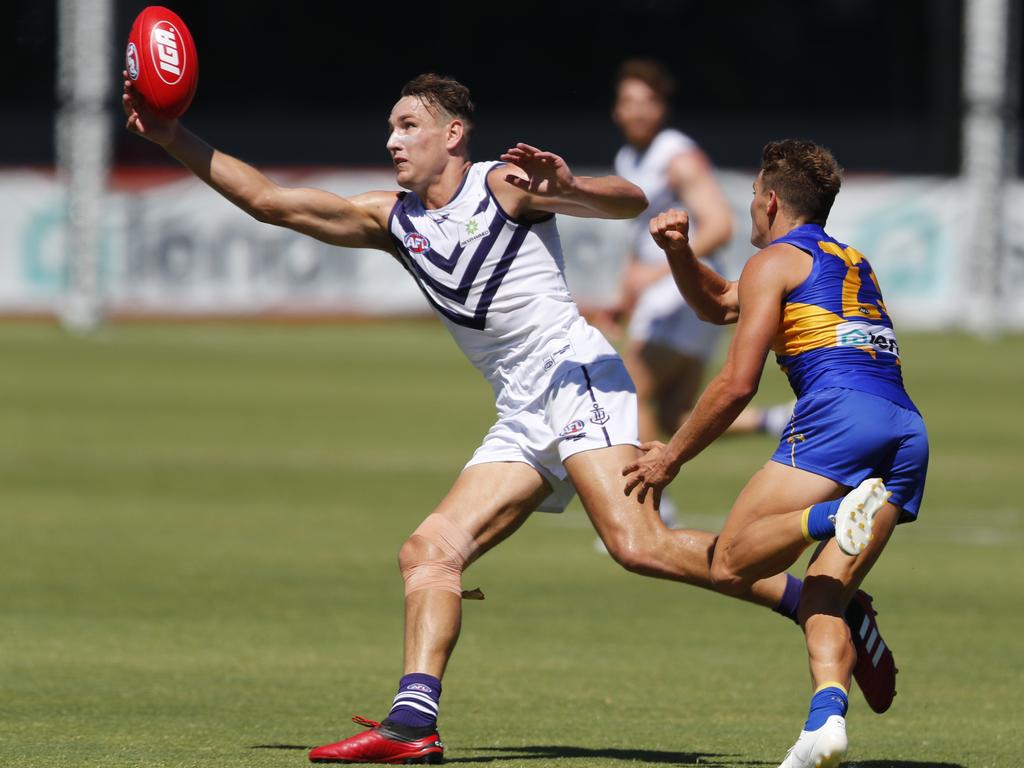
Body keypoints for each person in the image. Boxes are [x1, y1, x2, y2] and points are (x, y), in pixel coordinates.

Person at [122, 73, 895, 765]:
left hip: (577, 379)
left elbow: (631, 202)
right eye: (390, 129)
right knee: (429, 551)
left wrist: (572, 185)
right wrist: (170, 135)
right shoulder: (392, 221)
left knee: (635, 546)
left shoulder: (506, 185)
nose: (391, 141)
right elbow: (269, 202)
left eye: (407, 126)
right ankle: (413, 723)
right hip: (523, 410)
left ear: (453, 135)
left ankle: (821, 584)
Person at [623, 139, 927, 768]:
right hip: (904, 431)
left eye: (753, 201)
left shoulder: (776, 262)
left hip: (838, 418)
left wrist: (670, 458)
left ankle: (830, 516)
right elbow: (719, 306)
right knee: (822, 591)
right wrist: (681, 252)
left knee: (733, 565)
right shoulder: (848, 259)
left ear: (768, 201)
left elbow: (737, 383)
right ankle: (826, 724)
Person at [609, 59, 793, 528]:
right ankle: (777, 421)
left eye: (646, 101)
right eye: (628, 101)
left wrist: (658, 273)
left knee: (628, 391)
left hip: (683, 292)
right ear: (617, 110)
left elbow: (719, 224)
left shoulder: (677, 156)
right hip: (671, 294)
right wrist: (628, 288)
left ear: (662, 108)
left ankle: (652, 509)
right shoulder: (630, 159)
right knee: (675, 414)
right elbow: (639, 240)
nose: (637, 111)